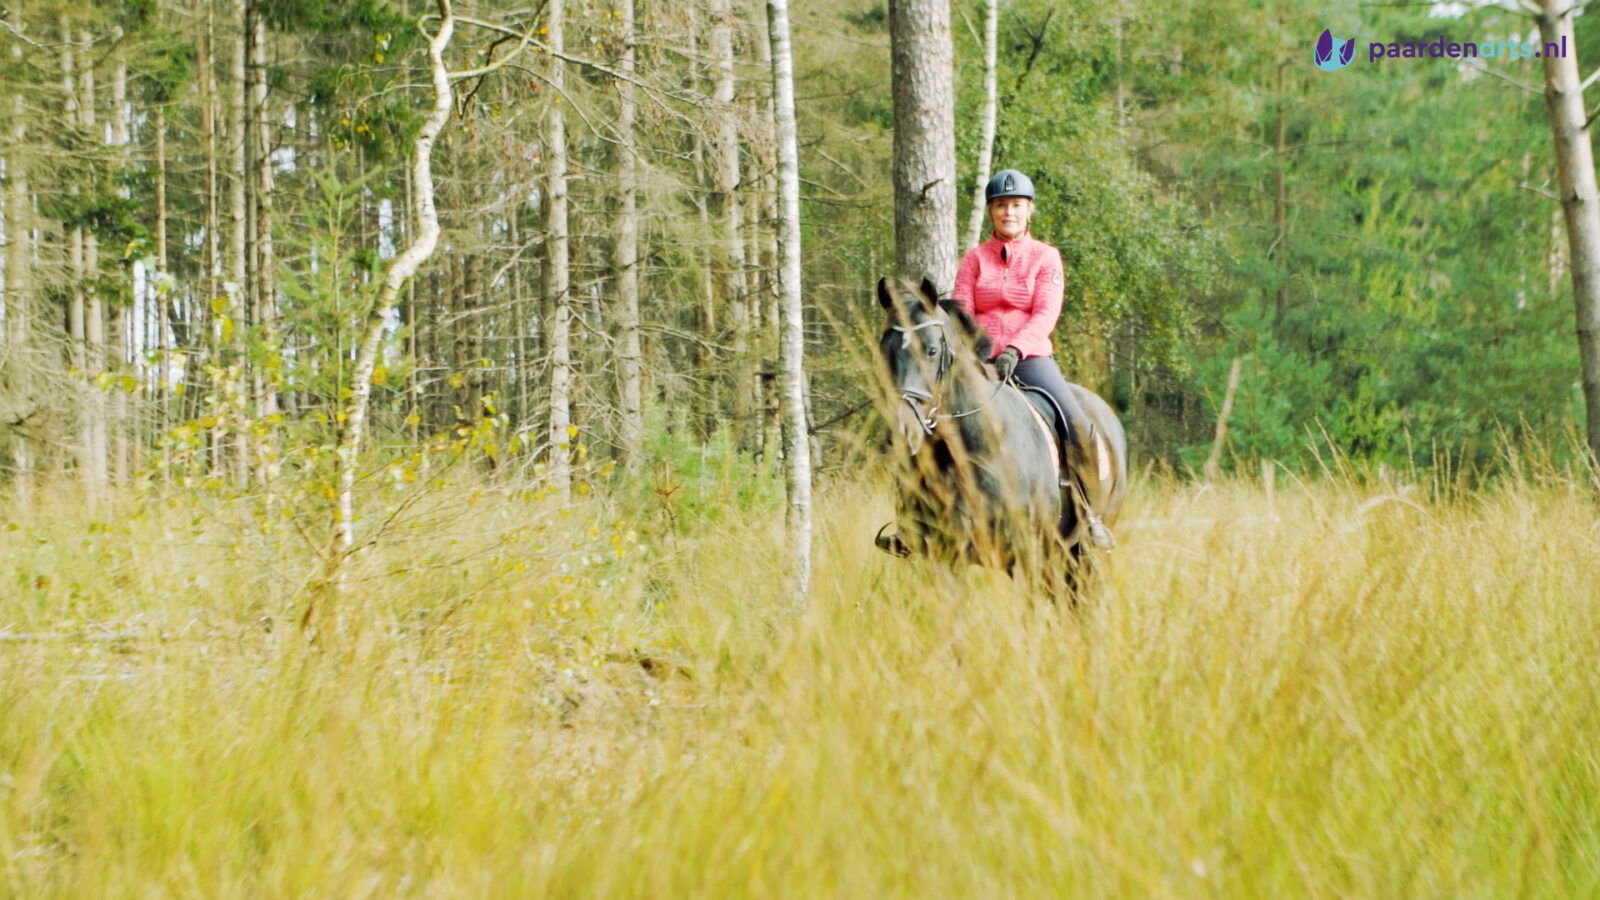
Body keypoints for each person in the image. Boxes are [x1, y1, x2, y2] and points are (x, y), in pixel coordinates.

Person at [951, 169, 1114, 549]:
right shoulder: (974, 259)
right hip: (979, 361)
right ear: (991, 211)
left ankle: (1089, 513)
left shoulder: (1045, 257)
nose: (1008, 212)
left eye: (1016, 205)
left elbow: (1045, 312)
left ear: (1029, 211)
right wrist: (975, 351)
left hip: (1029, 358)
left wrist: (1014, 349)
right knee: (930, 419)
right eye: (1001, 205)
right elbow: (961, 309)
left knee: (1075, 422)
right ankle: (914, 519)